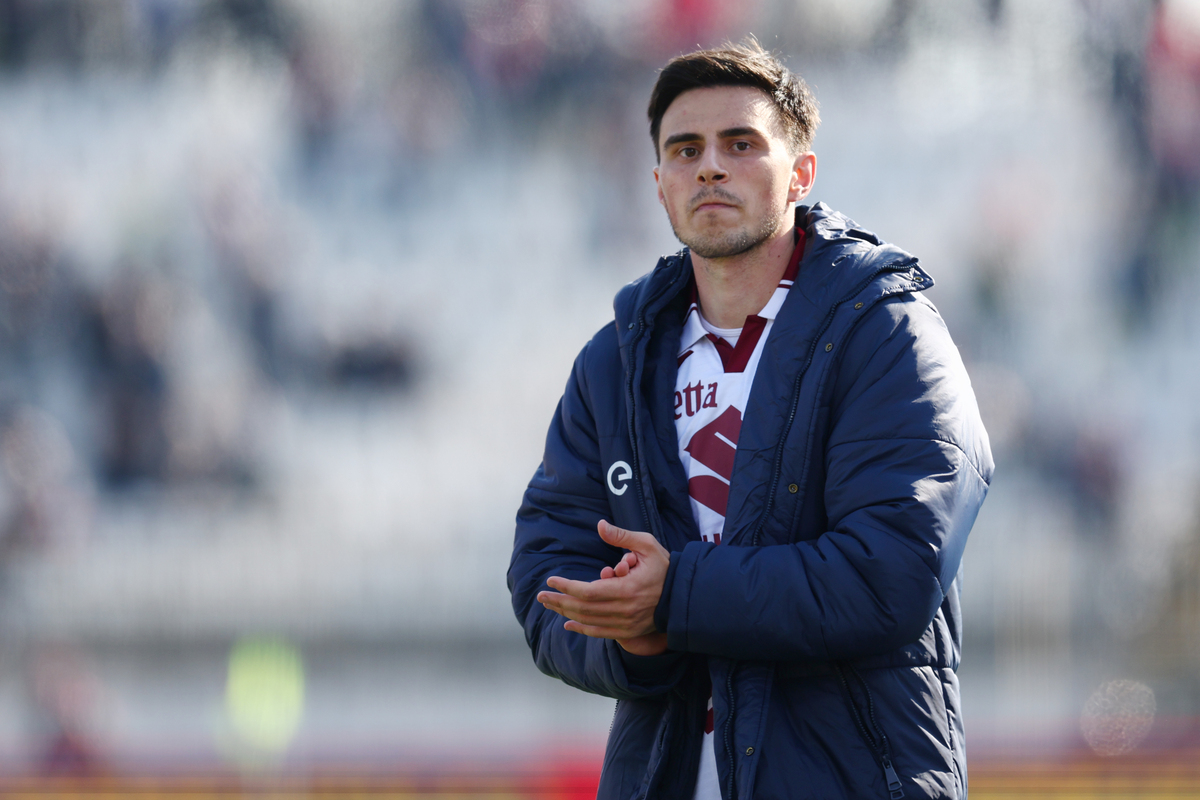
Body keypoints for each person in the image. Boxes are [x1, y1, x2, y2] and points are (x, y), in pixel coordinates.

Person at [508, 38, 992, 800]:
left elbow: (891, 571)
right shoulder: (613, 363)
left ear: (801, 172)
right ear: (660, 185)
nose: (710, 166)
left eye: (741, 144)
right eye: (686, 149)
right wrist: (632, 638)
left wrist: (675, 597)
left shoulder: (886, 333)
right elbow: (546, 571)